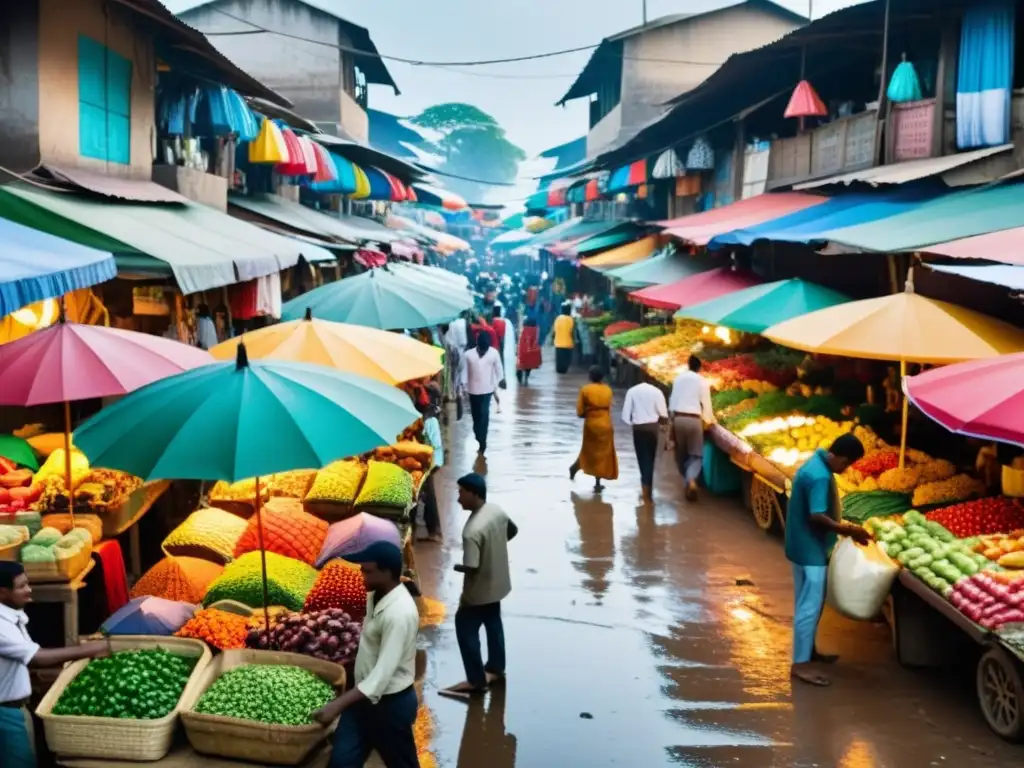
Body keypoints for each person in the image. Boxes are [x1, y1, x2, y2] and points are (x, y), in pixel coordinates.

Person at [317, 542, 420, 768]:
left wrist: (337, 704)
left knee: (402, 763)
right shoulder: (375, 593)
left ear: (387, 573)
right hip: (361, 701)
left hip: (390, 705)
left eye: (367, 571)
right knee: (341, 762)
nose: (361, 575)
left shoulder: (399, 614)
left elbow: (381, 677)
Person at [0, 562, 110, 768]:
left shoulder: (11, 614)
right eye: (21, 586)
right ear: (3, 592)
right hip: (6, 714)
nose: (29, 590)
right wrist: (94, 649)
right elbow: (36, 657)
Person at [786, 434, 872, 688]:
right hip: (810, 550)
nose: (845, 470)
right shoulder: (821, 476)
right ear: (841, 458)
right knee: (809, 606)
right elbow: (817, 516)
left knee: (806, 602)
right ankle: (800, 664)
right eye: (846, 465)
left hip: (798, 544)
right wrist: (848, 530)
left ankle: (807, 652)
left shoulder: (815, 461)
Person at [441, 473, 517, 700]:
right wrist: (494, 549)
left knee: (465, 627)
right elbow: (512, 531)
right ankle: (495, 668)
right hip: (499, 583)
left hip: (479, 591)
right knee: (493, 624)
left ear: (475, 494)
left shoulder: (472, 530)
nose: (458, 498)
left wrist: (458, 567)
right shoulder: (496, 511)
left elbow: (472, 566)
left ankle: (476, 681)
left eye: (461, 492)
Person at [668, 355, 715, 502]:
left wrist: (672, 420)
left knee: (681, 455)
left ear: (688, 365)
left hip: (679, 419)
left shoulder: (678, 379)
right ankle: (691, 479)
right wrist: (709, 420)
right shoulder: (702, 381)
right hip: (694, 420)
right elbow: (706, 403)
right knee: (696, 455)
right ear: (699, 367)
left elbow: (672, 401)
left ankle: (688, 480)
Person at [570, 367, 619, 493]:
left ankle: (576, 467)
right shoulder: (607, 390)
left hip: (591, 424)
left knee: (589, 451)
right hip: (606, 424)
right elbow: (610, 406)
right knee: (603, 453)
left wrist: (589, 412)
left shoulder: (585, 389)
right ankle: (597, 483)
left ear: (590, 376)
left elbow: (580, 412)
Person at [621, 379, 669, 503]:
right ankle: (648, 490)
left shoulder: (632, 391)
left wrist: (633, 423)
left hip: (638, 429)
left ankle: (645, 490)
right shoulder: (657, 392)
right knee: (651, 458)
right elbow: (664, 415)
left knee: (642, 458)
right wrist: (665, 434)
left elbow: (625, 416)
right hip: (653, 429)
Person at [461, 334, 503, 456]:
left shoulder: (494, 354)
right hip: (472, 390)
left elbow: (498, 369)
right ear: (477, 346)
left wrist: (498, 382)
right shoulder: (468, 355)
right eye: (482, 350)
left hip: (487, 390)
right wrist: (463, 388)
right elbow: (464, 372)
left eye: (486, 350)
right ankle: (478, 434)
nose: (484, 352)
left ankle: (483, 441)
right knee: (476, 416)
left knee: (484, 414)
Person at [417, 396, 444, 543]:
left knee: (428, 495)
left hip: (431, 462)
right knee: (427, 495)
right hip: (431, 460)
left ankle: (434, 531)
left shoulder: (429, 422)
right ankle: (433, 530)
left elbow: (435, 443)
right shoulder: (429, 420)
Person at [515, 317, 542, 385]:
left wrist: (517, 351)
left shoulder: (524, 330)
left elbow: (520, 342)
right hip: (531, 351)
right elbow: (537, 341)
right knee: (528, 366)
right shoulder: (535, 330)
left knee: (520, 367)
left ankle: (520, 382)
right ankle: (526, 378)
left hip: (523, 351)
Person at [552, 304, 575, 374]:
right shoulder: (571, 319)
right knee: (566, 358)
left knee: (559, 358)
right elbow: (572, 332)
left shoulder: (558, 318)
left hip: (558, 343)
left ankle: (559, 369)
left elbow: (554, 331)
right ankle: (564, 369)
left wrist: (553, 339)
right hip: (568, 343)